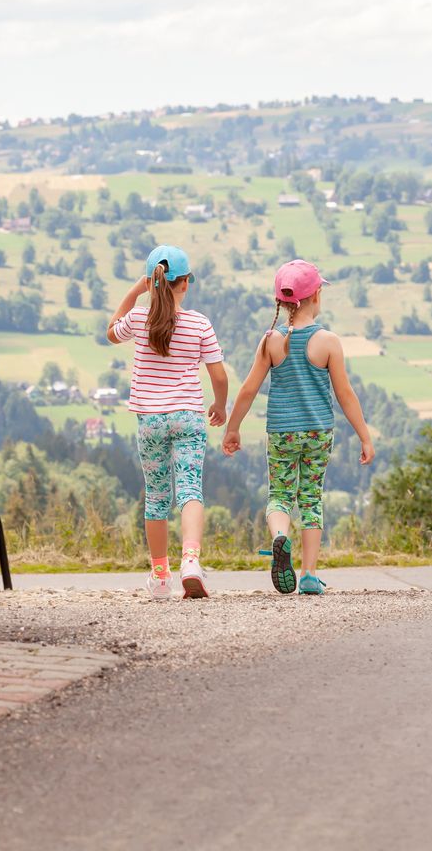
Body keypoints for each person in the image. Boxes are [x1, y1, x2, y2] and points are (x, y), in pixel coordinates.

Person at [222, 259, 374, 595]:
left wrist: (232, 429)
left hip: (282, 431)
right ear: (316, 295)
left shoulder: (271, 342)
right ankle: (308, 574)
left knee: (279, 495)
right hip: (319, 433)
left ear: (281, 302)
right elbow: (345, 394)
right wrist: (364, 436)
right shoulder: (328, 342)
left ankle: (280, 538)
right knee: (310, 498)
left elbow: (248, 389)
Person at [107, 245, 227, 600]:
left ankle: (161, 576)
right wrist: (220, 406)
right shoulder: (199, 323)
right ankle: (191, 561)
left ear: (152, 282)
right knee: (190, 490)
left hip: (151, 420)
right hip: (188, 416)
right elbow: (218, 376)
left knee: (157, 498)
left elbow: (111, 331)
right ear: (185, 283)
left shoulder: (140, 319)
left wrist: (135, 290)